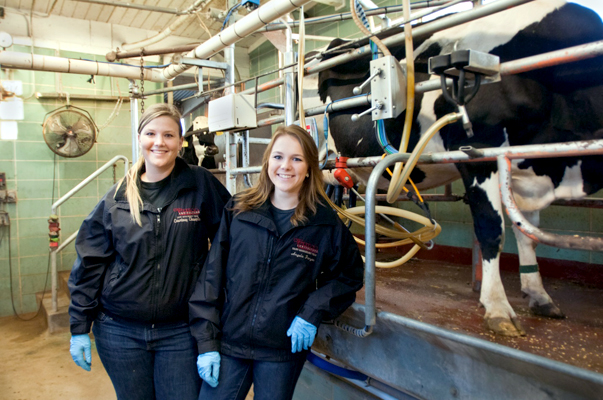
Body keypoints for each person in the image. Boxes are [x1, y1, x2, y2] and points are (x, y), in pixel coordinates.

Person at [68, 103, 231, 400]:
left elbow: (232, 240)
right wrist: (80, 325)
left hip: (181, 330)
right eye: (151, 133)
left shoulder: (200, 184)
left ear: (180, 141)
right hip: (119, 330)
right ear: (140, 137)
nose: (159, 142)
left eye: (169, 135)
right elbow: (90, 261)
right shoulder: (118, 197)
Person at [189, 124, 364, 400]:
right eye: (278, 157)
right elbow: (212, 277)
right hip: (229, 342)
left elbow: (349, 276)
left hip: (281, 351)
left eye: (297, 159)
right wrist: (207, 341)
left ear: (309, 168)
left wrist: (312, 311)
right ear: (268, 161)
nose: (286, 166)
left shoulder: (324, 224)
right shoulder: (239, 210)